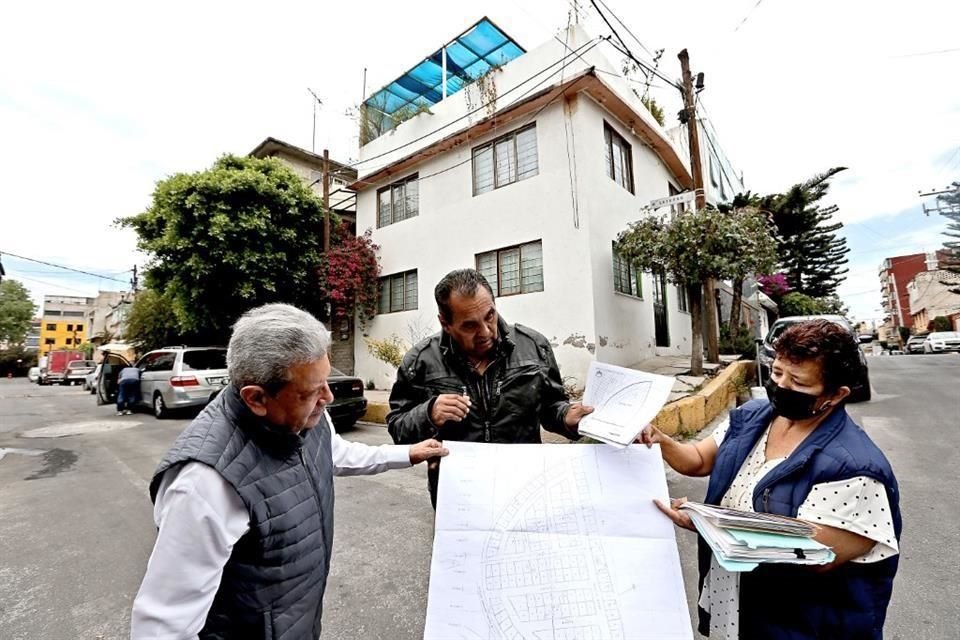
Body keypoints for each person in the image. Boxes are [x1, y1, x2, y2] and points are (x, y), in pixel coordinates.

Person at [131, 304, 448, 639]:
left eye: (326, 380)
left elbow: (335, 454)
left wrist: (409, 453)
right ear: (256, 398)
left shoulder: (308, 415)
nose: (327, 396)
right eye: (311, 391)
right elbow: (163, 627)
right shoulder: (205, 485)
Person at [641, 319, 901, 639]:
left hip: (802, 624)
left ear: (835, 395)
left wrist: (709, 524)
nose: (782, 386)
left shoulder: (856, 468)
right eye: (777, 373)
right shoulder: (755, 417)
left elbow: (814, 556)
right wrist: (661, 441)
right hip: (738, 601)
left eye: (799, 382)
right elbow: (698, 460)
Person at [388, 268, 593, 506]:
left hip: (525, 487)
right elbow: (398, 428)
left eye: (490, 316)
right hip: (458, 496)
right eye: (469, 326)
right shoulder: (420, 362)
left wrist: (567, 417)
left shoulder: (534, 347)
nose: (485, 331)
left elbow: (551, 409)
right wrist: (429, 413)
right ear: (446, 323)